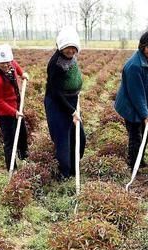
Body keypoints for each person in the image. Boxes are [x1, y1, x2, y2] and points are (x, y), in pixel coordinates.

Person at [114, 30, 148, 169]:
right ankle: (134, 162)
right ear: (142, 46)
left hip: (142, 103)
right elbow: (136, 94)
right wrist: (145, 114)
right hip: (130, 105)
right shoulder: (134, 66)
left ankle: (138, 158)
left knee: (147, 132)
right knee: (136, 134)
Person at [45, 26, 86, 179]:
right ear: (61, 47)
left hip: (71, 100)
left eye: (73, 48)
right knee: (63, 140)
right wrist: (72, 111)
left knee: (79, 137)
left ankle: (74, 167)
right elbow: (55, 92)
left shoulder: (71, 58)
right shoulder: (55, 64)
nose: (70, 51)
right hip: (58, 104)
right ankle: (64, 174)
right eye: (67, 48)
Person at [0, 44, 29, 170]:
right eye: (2, 64)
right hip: (6, 114)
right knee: (10, 141)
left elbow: (16, 66)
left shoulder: (11, 63)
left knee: (22, 134)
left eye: (7, 62)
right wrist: (14, 112)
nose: (6, 65)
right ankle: (12, 168)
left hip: (17, 106)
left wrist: (22, 74)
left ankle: (24, 157)